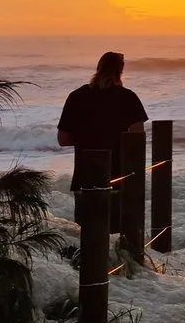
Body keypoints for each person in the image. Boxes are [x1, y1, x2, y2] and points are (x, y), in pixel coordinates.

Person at [57, 51, 151, 265]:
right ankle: (124, 277)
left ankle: (88, 280)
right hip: (117, 178)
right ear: (121, 71)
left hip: (85, 178)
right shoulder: (128, 98)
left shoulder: (77, 96)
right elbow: (137, 137)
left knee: (89, 236)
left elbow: (63, 139)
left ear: (97, 68)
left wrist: (87, 138)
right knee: (121, 238)